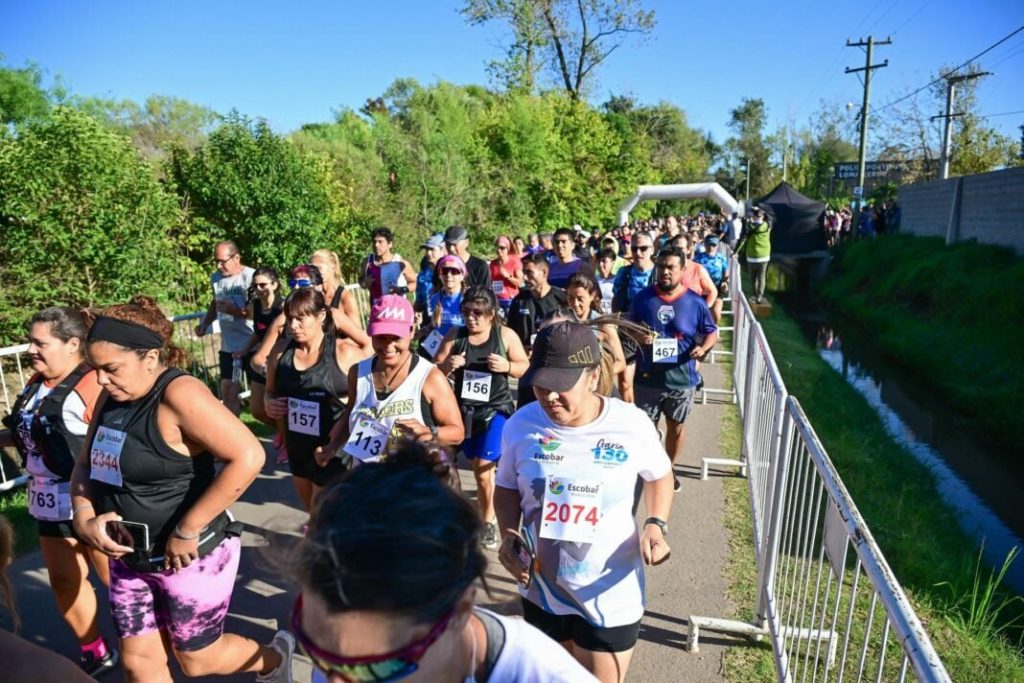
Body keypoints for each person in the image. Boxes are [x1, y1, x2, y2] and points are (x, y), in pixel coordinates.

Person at [70, 296, 293, 683]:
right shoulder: (110, 395)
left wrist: (188, 529)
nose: (101, 380)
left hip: (191, 555)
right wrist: (84, 517)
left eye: (111, 368)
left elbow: (248, 456)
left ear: (150, 359)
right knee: (139, 663)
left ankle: (273, 660)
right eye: (96, 369)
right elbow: (85, 464)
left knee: (197, 660)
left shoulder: (179, 394)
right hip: (129, 557)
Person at [283, 441, 598, 683]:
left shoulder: (545, 675)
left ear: (460, 610)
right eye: (314, 645)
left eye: (376, 668)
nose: (332, 680)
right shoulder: (344, 650)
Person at [494, 321, 673, 683]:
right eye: (540, 384)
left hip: (608, 592)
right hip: (541, 589)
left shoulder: (631, 425)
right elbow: (507, 486)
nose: (549, 396)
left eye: (560, 385)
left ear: (592, 377)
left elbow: (660, 475)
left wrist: (655, 524)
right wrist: (509, 534)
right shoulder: (520, 424)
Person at [0, 307, 117, 676]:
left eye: (40, 343)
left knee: (117, 581)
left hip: (93, 498)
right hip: (47, 499)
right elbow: (30, 434)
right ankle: (96, 651)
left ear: (72, 344)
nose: (30, 349)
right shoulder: (36, 383)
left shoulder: (94, 384)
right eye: (29, 341)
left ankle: (152, 643)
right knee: (65, 581)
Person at [318, 295, 464, 467]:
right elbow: (351, 412)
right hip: (367, 477)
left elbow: (457, 433)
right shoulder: (357, 373)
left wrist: (427, 432)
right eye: (381, 337)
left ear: (411, 331)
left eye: (396, 338)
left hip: (410, 480)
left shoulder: (429, 377)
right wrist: (332, 447)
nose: (388, 347)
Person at [434, 286, 529, 549]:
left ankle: (488, 522)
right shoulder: (455, 336)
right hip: (462, 411)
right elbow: (434, 370)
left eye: (478, 313)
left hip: (494, 409)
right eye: (466, 312)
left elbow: (525, 367)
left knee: (484, 470)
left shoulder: (504, 335)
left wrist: (507, 366)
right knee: (447, 466)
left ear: (491, 314)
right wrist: (447, 366)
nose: (471, 318)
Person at [265, 288, 371, 511]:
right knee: (313, 513)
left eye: (301, 319)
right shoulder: (280, 352)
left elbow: (370, 402)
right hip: (299, 449)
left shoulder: (346, 353)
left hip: (335, 450)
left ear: (321, 316)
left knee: (321, 515)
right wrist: (269, 403)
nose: (293, 326)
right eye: (290, 319)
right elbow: (270, 392)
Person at [628, 248, 718, 493]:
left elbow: (711, 331)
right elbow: (626, 325)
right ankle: (649, 467)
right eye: (661, 266)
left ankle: (669, 468)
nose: (665, 272)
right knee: (646, 429)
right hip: (647, 377)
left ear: (682, 270)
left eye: (671, 267)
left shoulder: (695, 302)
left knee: (676, 426)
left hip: (682, 378)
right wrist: (638, 335)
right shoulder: (643, 298)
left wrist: (703, 348)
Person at [0, 515, 96, 682]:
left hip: (101, 504)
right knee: (63, 579)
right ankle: (95, 650)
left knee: (114, 577)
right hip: (51, 507)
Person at [194, 240, 254, 416]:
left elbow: (258, 312)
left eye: (222, 261)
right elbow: (215, 304)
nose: (219, 266)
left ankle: (278, 430)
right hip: (230, 348)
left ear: (236, 257)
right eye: (216, 261)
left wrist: (235, 311)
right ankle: (234, 430)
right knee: (229, 389)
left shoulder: (251, 277)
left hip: (252, 345)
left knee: (259, 395)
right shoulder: (217, 278)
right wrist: (205, 324)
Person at [611, 232, 656, 403]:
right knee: (625, 383)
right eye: (634, 248)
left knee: (655, 383)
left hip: (655, 334)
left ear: (652, 249)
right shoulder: (624, 273)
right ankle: (630, 415)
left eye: (643, 248)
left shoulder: (660, 272)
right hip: (627, 332)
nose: (638, 253)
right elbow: (616, 301)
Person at [238, 266, 284, 433]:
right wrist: (244, 351)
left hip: (279, 361)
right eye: (255, 285)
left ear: (274, 285)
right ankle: (285, 432)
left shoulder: (283, 307)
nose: (259, 289)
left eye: (263, 285)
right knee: (257, 410)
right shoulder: (255, 305)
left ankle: (286, 438)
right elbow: (258, 333)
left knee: (278, 406)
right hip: (261, 361)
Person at [563, 272, 626, 395]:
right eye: (570, 298)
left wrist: (595, 378)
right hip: (572, 389)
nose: (575, 303)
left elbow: (620, 362)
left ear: (592, 295)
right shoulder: (562, 323)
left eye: (580, 299)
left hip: (600, 389)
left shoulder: (603, 325)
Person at [506, 253, 566, 354]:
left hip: (554, 356)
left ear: (544, 273)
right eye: (524, 272)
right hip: (525, 357)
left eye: (529, 272)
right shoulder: (519, 300)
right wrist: (520, 349)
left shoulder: (561, 298)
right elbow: (510, 333)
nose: (525, 278)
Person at [420, 254, 467, 359]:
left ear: (462, 275)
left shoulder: (469, 298)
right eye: (444, 271)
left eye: (454, 271)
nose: (449, 275)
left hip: (462, 349)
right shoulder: (435, 298)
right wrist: (423, 330)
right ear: (440, 275)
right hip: (440, 350)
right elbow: (435, 324)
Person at [311, 249, 364, 333]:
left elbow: (360, 336)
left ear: (333, 267)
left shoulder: (345, 298)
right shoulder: (313, 296)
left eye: (319, 268)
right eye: (313, 268)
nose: (315, 272)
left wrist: (333, 341)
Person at [362, 227, 417, 303]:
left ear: (390, 244)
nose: (376, 245)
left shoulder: (400, 263)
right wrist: (364, 283)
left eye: (380, 242)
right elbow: (361, 280)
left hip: (397, 308)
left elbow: (416, 283)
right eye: (374, 242)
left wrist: (402, 289)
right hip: (377, 308)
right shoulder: (367, 262)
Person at [736, 206, 772, 303]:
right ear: (762, 216)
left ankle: (755, 295)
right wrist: (762, 210)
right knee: (761, 277)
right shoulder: (767, 225)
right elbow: (770, 217)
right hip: (764, 255)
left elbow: (742, 240)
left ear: (754, 216)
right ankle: (760, 296)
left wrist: (735, 252)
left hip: (752, 256)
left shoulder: (748, 226)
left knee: (753, 278)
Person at [694, 236, 729, 323]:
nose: (711, 247)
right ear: (705, 244)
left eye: (714, 245)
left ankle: (714, 327)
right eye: (709, 244)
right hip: (702, 287)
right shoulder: (698, 258)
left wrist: (725, 282)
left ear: (717, 246)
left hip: (717, 286)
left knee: (716, 312)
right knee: (703, 311)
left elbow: (726, 272)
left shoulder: (721, 258)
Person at [489, 236, 523, 315]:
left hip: (511, 301)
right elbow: (491, 282)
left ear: (507, 249)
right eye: (497, 247)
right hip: (497, 301)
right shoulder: (493, 264)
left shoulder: (514, 262)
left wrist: (508, 276)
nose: (499, 250)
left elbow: (521, 284)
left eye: (502, 248)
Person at [414, 233, 446, 318]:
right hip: (428, 319)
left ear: (443, 250)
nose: (428, 253)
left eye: (432, 249)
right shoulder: (423, 275)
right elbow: (419, 301)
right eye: (427, 249)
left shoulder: (452, 272)